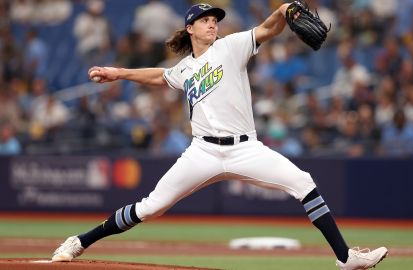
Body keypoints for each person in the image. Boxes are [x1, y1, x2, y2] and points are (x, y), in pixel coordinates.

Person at [52, 3, 388, 269]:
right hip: (202, 153)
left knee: (303, 182)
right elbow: (160, 76)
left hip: (246, 148)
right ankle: (79, 241)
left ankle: (346, 258)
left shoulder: (232, 46)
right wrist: (119, 73)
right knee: (150, 208)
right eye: (205, 19)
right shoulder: (185, 68)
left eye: (215, 19)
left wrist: (285, 9)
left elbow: (270, 27)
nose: (213, 23)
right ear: (190, 28)